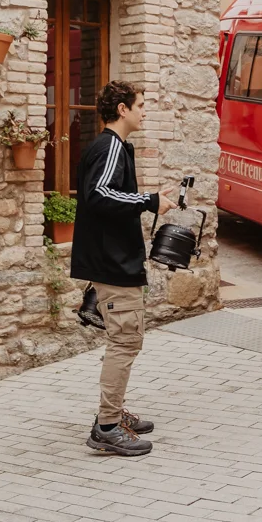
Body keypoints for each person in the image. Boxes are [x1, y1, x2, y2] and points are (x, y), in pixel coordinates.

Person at [71, 80, 170, 458]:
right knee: (125, 342)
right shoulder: (110, 146)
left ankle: (113, 413)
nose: (145, 111)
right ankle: (108, 426)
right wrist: (149, 200)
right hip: (112, 264)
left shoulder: (113, 147)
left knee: (126, 340)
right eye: (140, 105)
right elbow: (99, 194)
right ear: (122, 109)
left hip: (113, 261)